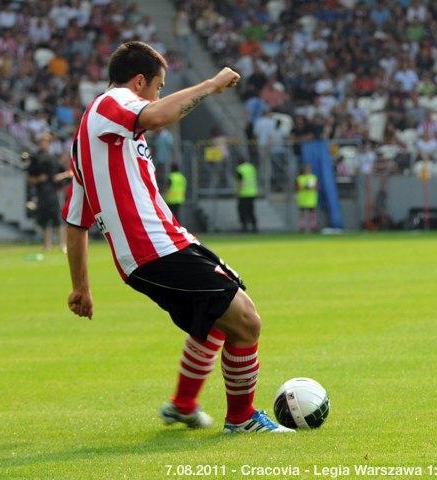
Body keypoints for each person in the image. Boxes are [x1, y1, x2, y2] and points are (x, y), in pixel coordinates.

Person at [61, 41, 292, 433]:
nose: (159, 93)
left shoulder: (89, 142)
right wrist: (212, 85)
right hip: (154, 249)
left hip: (164, 244)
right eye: (159, 85)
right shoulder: (111, 103)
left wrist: (81, 287)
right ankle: (241, 419)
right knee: (247, 322)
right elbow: (156, 115)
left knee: (217, 322)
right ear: (138, 82)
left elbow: (75, 220)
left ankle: (184, 404)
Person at [27, 133, 71, 252]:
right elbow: (29, 178)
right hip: (41, 192)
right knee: (44, 219)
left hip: (53, 192)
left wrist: (60, 177)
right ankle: (47, 245)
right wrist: (38, 179)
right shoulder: (35, 158)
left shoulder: (53, 158)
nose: (44, 144)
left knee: (58, 218)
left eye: (46, 142)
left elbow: (66, 173)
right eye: (42, 142)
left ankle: (63, 244)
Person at [236, 157, 258, 233]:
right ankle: (254, 226)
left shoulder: (240, 169)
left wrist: (238, 192)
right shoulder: (251, 167)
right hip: (252, 192)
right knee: (251, 210)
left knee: (242, 211)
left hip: (243, 193)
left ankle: (244, 227)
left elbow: (240, 182)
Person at [296, 164, 318, 233]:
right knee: (302, 215)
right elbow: (298, 187)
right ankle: (301, 228)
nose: (307, 170)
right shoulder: (300, 178)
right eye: (306, 169)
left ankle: (313, 227)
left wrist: (310, 187)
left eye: (309, 169)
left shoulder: (313, 177)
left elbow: (316, 187)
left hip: (311, 199)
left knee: (312, 214)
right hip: (303, 199)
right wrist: (305, 187)